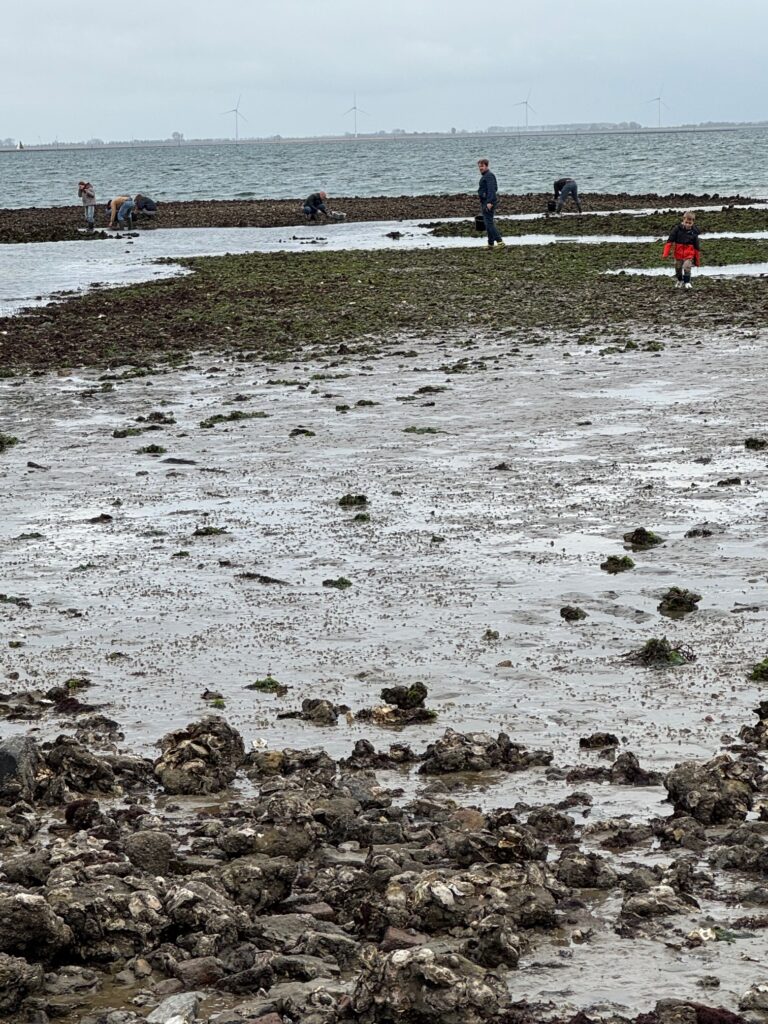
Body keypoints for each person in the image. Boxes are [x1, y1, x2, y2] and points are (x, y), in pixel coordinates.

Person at [662, 210, 700, 289]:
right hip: (678, 254)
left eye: (690, 223)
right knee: (678, 267)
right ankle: (680, 280)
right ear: (683, 220)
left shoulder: (694, 233)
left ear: (693, 222)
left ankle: (687, 282)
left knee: (686, 267)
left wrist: (697, 261)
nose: (687, 224)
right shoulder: (677, 229)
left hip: (689, 254)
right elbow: (669, 241)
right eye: (686, 222)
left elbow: (696, 247)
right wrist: (665, 253)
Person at [477, 159, 504, 249]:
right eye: (479, 166)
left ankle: (500, 242)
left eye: (482, 166)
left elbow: (492, 189)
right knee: (488, 223)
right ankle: (491, 243)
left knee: (489, 223)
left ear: (486, 166)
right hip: (485, 202)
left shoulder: (489, 176)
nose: (480, 168)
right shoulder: (485, 176)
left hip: (489, 203)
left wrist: (489, 202)